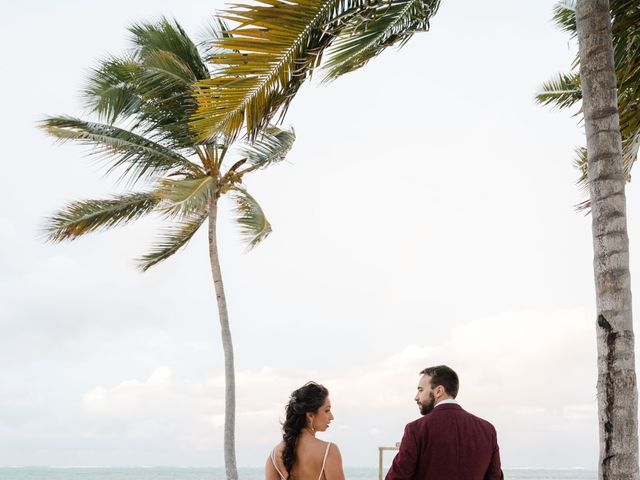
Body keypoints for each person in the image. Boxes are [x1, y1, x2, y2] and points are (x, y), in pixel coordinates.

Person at [386, 365, 503, 480]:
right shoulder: (487, 430)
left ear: (439, 391)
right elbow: (495, 477)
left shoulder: (416, 429)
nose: (416, 397)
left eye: (421, 390)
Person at [266, 382, 345, 480]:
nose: (331, 417)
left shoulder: (274, 456)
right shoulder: (328, 451)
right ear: (310, 415)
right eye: (327, 410)